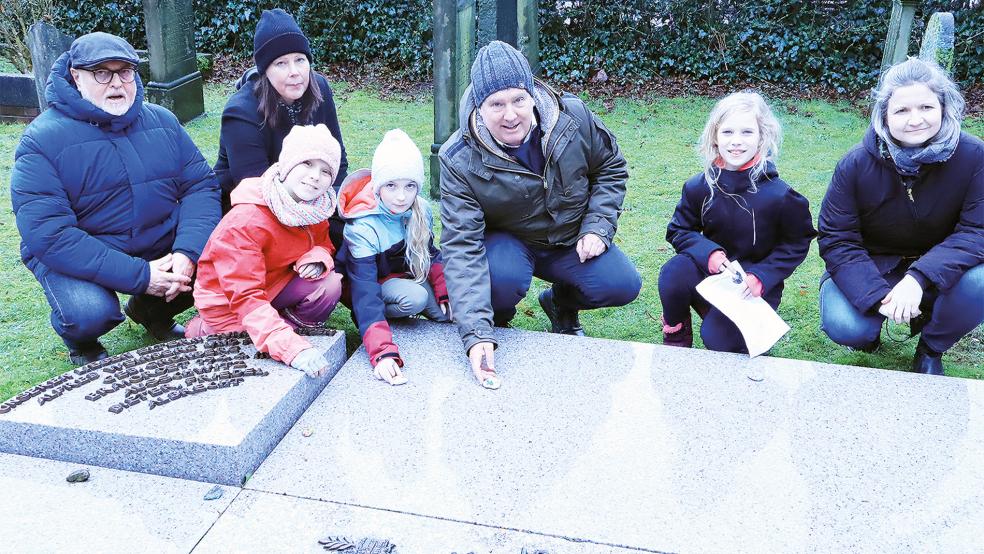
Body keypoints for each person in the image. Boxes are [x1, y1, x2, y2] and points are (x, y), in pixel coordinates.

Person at [438, 40, 642, 389]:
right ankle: (498, 323)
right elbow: (462, 247)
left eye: (518, 99)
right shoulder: (457, 158)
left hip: (570, 240)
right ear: (478, 107)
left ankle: (560, 304)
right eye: (496, 104)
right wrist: (476, 335)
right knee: (501, 279)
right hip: (510, 244)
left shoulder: (574, 117)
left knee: (622, 284)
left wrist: (597, 227)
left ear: (532, 94)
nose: (511, 114)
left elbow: (611, 168)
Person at [9, 32, 220, 366]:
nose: (117, 83)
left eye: (125, 72)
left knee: (219, 257)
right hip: (83, 249)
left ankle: (151, 311)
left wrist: (186, 252)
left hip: (154, 239)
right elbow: (50, 235)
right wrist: (140, 276)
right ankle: (82, 341)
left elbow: (201, 187)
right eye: (102, 74)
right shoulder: (41, 140)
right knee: (89, 312)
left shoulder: (162, 121)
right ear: (76, 76)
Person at [818, 58, 983, 375]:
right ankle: (873, 331)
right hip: (873, 268)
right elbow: (837, 240)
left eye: (926, 108)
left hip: (944, 268)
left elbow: (978, 231)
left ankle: (931, 348)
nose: (915, 120)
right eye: (902, 111)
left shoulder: (975, 156)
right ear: (884, 115)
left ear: (943, 106)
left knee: (981, 281)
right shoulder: (854, 165)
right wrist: (881, 297)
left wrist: (919, 278)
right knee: (846, 326)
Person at [657, 92, 816, 353]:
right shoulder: (699, 186)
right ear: (715, 137)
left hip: (753, 286)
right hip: (713, 273)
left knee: (718, 340)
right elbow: (679, 229)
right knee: (674, 272)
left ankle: (728, 323)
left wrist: (762, 277)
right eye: (728, 132)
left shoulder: (782, 196)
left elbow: (796, 243)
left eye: (747, 133)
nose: (736, 142)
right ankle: (676, 337)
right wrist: (709, 254)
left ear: (762, 138)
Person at [187, 125, 344, 378]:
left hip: (273, 285)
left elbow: (323, 243)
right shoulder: (246, 219)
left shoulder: (314, 207)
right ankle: (204, 329)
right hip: (230, 302)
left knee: (328, 286)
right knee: (241, 340)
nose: (315, 176)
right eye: (306, 163)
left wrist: (318, 257)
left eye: (326, 170)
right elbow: (245, 295)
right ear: (286, 165)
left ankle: (279, 328)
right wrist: (292, 350)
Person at [212, 8, 348, 246]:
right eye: (281, 63)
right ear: (265, 70)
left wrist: (330, 207)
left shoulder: (321, 89)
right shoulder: (240, 112)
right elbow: (257, 187)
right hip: (254, 210)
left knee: (354, 231)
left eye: (300, 60)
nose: (295, 72)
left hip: (310, 193)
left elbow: (338, 161)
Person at [337, 129, 451, 386]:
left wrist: (444, 290)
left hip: (402, 276)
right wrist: (382, 353)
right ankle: (379, 326)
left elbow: (431, 253)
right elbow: (364, 290)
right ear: (378, 186)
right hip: (366, 287)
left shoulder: (419, 209)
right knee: (416, 298)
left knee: (447, 312)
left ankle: (417, 298)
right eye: (391, 185)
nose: (401, 196)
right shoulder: (362, 226)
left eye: (410, 186)